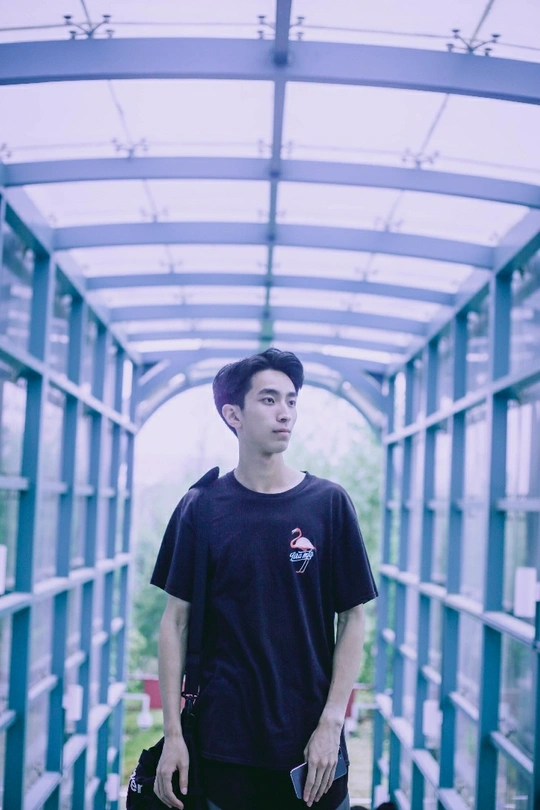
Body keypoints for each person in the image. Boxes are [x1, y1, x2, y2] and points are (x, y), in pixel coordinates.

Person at [150, 348, 378, 810]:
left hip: (312, 748)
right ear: (233, 414)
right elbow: (174, 622)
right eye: (269, 400)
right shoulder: (201, 508)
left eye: (292, 401)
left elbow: (353, 618)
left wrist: (332, 722)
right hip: (222, 746)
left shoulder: (329, 505)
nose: (285, 413)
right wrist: (173, 734)